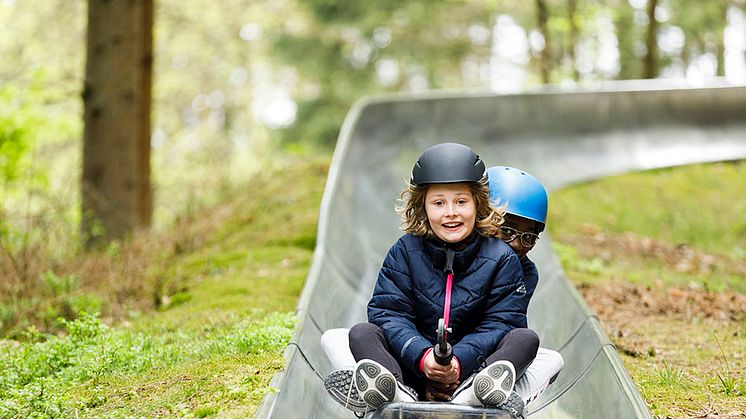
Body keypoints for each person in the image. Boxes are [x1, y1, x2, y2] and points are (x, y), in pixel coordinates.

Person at [324, 143, 538, 417]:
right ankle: (393, 391)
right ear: (422, 208)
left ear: (478, 204)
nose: (451, 212)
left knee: (525, 339)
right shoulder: (406, 251)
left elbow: (502, 322)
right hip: (411, 369)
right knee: (358, 334)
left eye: (461, 201)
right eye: (439, 203)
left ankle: (475, 395)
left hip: (474, 372)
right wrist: (424, 358)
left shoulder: (500, 257)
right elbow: (388, 313)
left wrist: (458, 363)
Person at [487, 165, 564, 406]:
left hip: (483, 365)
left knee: (551, 359)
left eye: (528, 237)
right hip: (434, 357)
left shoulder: (526, 273)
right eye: (507, 231)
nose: (518, 244)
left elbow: (509, 329)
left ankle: (496, 396)